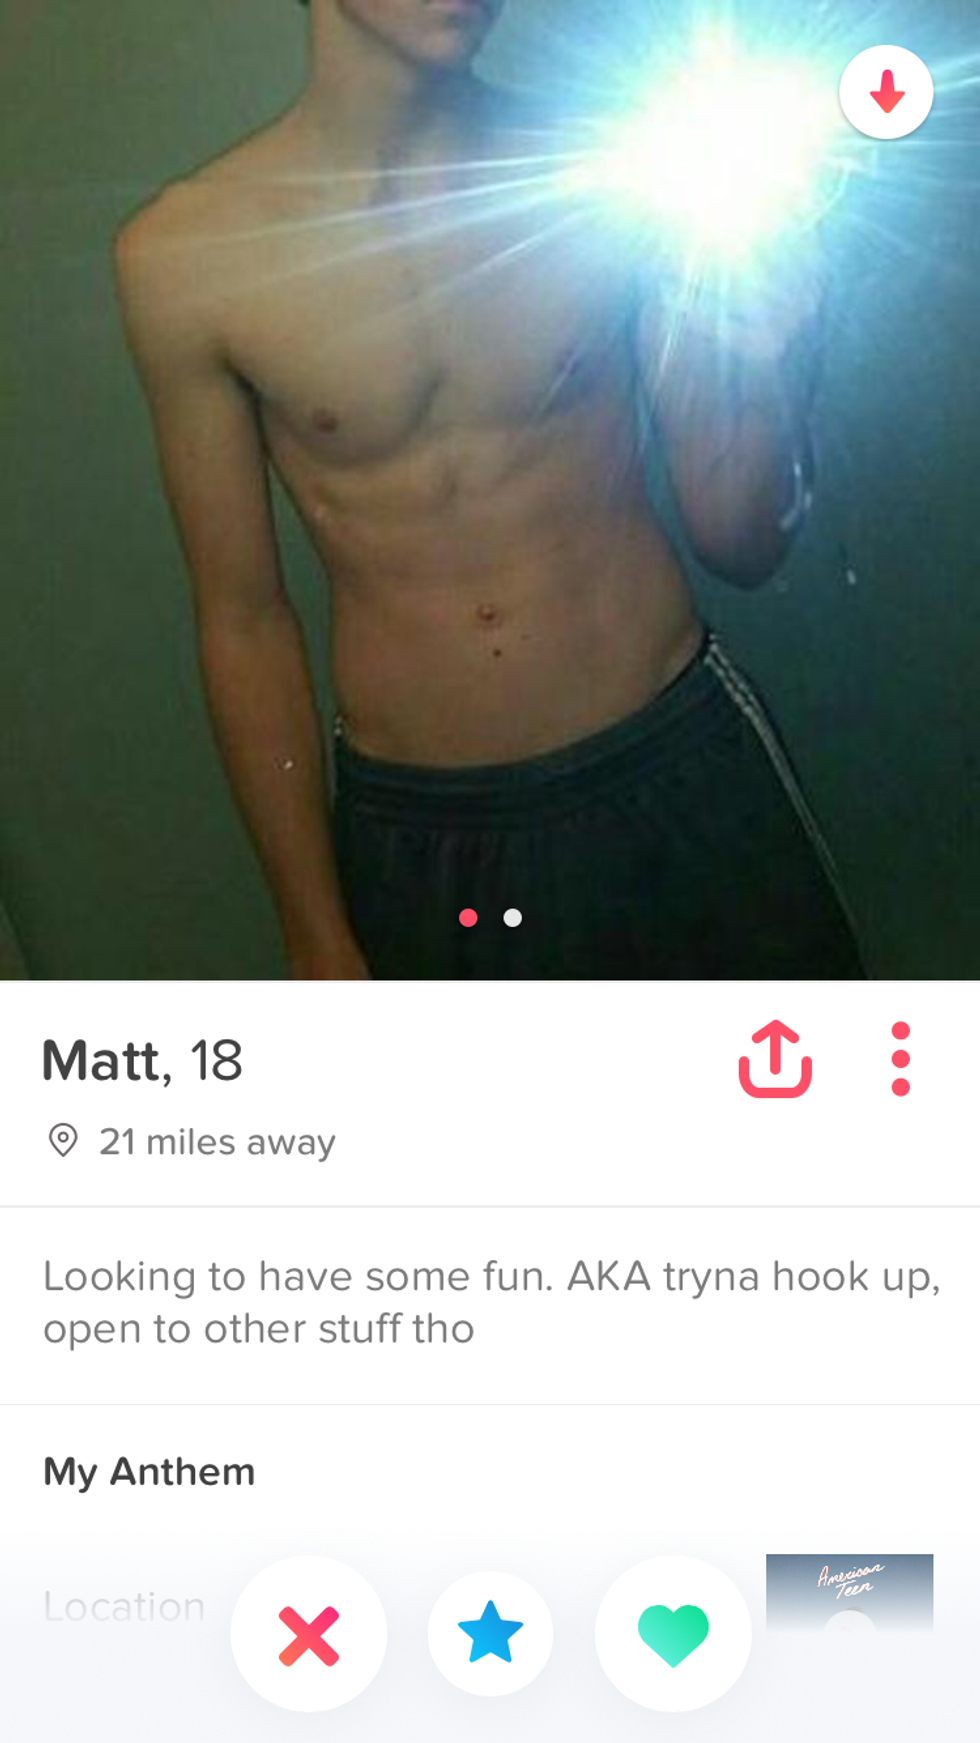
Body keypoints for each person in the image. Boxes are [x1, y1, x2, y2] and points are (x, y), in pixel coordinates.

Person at [113, 0, 862, 979]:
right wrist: (312, 930)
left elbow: (739, 540)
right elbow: (243, 620)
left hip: (677, 753)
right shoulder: (183, 260)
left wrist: (779, 363)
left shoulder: (603, 172)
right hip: (427, 829)